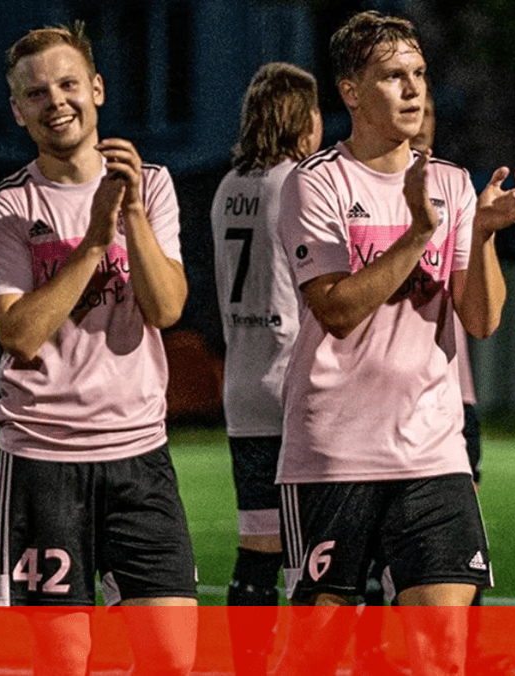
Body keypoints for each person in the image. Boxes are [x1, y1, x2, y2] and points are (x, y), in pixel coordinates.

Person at [272, 10, 515, 676]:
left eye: (419, 73)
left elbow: (480, 320)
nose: (414, 89)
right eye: (393, 76)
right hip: (337, 452)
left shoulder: (452, 183)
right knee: (317, 653)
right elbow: (335, 309)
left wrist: (480, 235)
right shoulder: (316, 184)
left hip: (432, 450)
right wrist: (419, 233)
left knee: (441, 653)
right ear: (352, 92)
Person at [0, 22, 196, 676]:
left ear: (96, 89)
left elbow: (167, 308)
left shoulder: (150, 185)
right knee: (65, 662)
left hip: (139, 455)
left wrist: (127, 217)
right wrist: (94, 241)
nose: (56, 101)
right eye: (36, 93)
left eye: (69, 83)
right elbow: (18, 333)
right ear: (18, 110)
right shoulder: (4, 206)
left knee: (171, 659)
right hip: (44, 459)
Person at [211, 62, 323, 676]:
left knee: (257, 545)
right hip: (293, 386)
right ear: (304, 120)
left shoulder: (230, 185)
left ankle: (249, 667)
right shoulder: (297, 183)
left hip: (243, 383)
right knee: (316, 555)